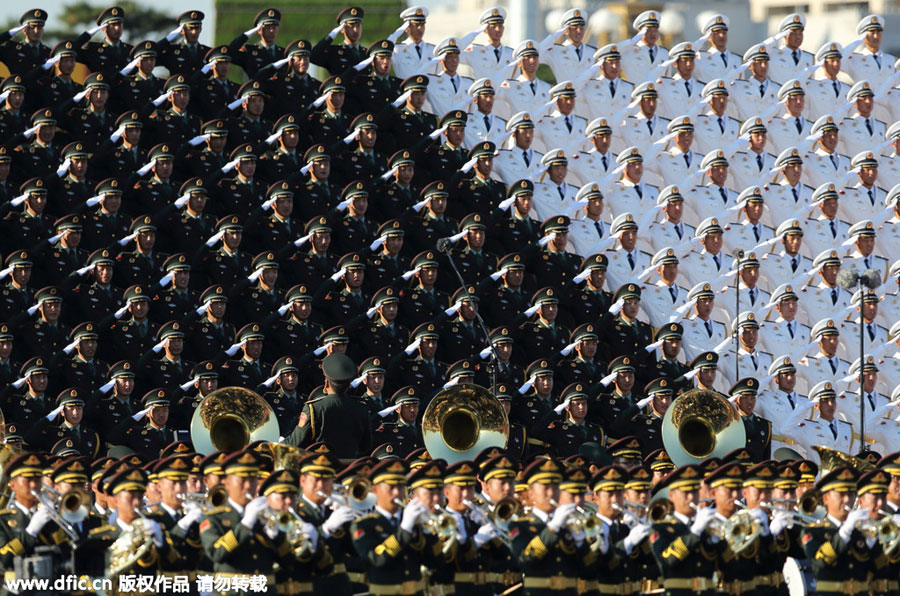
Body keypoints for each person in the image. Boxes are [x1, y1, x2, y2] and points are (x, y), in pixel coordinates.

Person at [285, 352, 372, 458]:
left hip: (322, 468)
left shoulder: (314, 408)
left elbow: (296, 442)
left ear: (326, 383)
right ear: (349, 385)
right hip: (348, 469)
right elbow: (366, 446)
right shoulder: (361, 409)